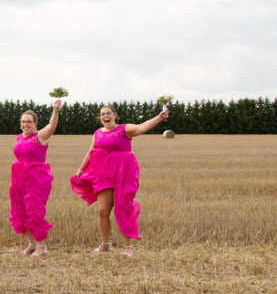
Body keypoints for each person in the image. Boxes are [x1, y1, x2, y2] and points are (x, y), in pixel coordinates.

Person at [70, 104, 168, 255]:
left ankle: (129, 247)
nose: (105, 116)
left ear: (115, 116)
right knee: (102, 211)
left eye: (108, 113)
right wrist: (81, 168)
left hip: (124, 171)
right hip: (103, 173)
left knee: (123, 207)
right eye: (102, 114)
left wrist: (159, 117)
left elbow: (142, 127)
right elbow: (91, 151)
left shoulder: (124, 129)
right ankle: (104, 244)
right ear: (100, 118)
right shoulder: (97, 133)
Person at [11, 101, 60, 257]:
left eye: (29, 122)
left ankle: (41, 246)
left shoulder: (40, 136)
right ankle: (32, 243)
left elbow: (51, 126)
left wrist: (55, 110)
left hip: (37, 179)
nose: (25, 124)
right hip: (19, 180)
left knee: (35, 211)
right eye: (23, 121)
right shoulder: (19, 138)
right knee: (20, 211)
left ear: (35, 123)